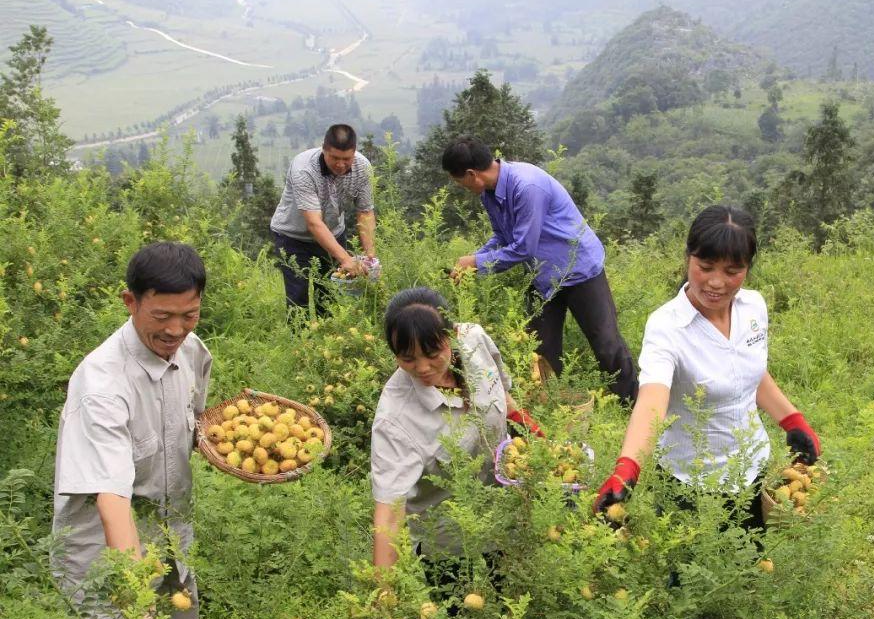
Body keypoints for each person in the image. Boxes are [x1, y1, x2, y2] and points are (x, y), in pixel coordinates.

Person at [51, 242, 213, 619]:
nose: (176, 329)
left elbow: (197, 426)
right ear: (130, 302)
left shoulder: (193, 352)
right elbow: (111, 501)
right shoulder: (103, 385)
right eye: (162, 316)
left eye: (190, 314)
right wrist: (134, 591)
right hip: (106, 550)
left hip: (170, 532)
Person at [593, 205, 820, 532]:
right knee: (687, 575)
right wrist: (627, 468)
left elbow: (749, 374)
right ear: (688, 258)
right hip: (690, 481)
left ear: (747, 268)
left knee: (748, 561)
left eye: (732, 271)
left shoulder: (754, 306)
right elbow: (652, 402)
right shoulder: (666, 326)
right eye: (705, 266)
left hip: (749, 467)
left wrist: (792, 420)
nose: (716, 282)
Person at [442, 135, 638, 405]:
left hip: (578, 268)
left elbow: (522, 248)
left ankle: (632, 405)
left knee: (606, 344)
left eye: (458, 181)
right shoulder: (489, 194)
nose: (460, 187)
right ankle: (553, 408)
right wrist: (476, 258)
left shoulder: (526, 186)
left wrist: (476, 263)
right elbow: (502, 236)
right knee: (540, 348)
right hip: (543, 275)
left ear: (472, 174)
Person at [370, 287, 542, 570]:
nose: (423, 368)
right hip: (453, 544)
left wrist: (532, 430)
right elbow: (389, 512)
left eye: (432, 352)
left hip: (513, 512)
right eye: (408, 359)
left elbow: (501, 391)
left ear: (451, 337)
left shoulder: (474, 340)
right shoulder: (395, 420)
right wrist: (384, 590)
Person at [270, 123, 378, 315]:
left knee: (329, 297)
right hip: (293, 238)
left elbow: (365, 212)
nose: (341, 164)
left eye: (347, 159)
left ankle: (328, 341)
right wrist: (345, 258)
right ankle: (300, 343)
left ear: (354, 152)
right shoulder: (304, 168)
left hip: (334, 234)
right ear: (324, 149)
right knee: (298, 300)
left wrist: (370, 257)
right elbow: (313, 222)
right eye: (334, 158)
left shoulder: (363, 167)